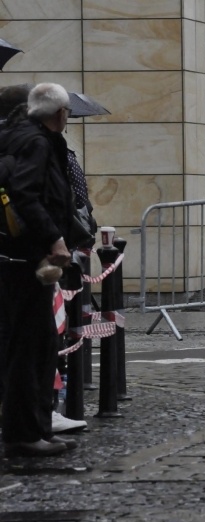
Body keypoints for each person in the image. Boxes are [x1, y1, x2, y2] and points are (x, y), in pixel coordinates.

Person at [0, 83, 88, 436]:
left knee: (24, 344)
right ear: (60, 113)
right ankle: (28, 431)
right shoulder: (35, 143)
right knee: (33, 346)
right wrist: (55, 239)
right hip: (27, 261)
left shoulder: (13, 137)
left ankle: (26, 426)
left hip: (13, 257)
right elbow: (27, 194)